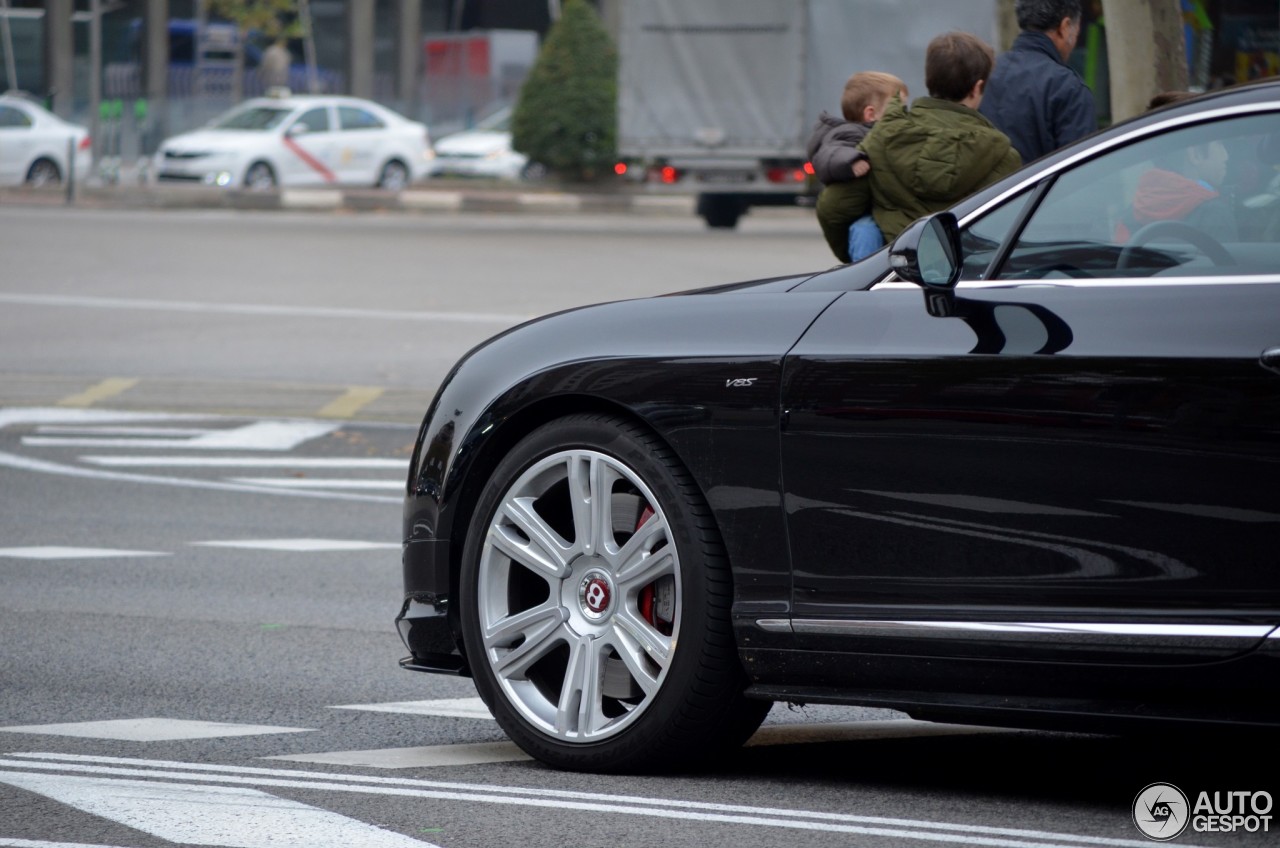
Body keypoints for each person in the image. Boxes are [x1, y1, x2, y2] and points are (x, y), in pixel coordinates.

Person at [816, 32, 1021, 263]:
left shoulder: (884, 136)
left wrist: (860, 257)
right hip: (968, 281)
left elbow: (833, 209)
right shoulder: (1002, 156)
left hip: (894, 276)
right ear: (977, 87)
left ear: (929, 79)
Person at [806, 72, 908, 262]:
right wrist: (852, 160)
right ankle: (863, 277)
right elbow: (829, 154)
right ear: (871, 114)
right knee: (865, 230)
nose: (903, 115)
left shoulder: (888, 135)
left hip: (883, 207)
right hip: (864, 212)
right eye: (898, 108)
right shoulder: (849, 133)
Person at [979, 0, 1095, 163]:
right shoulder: (1069, 88)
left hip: (989, 189)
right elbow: (1081, 170)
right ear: (1065, 26)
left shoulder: (982, 74)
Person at [1117, 139, 1237, 243]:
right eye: (1219, 145)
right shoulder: (1215, 213)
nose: (1226, 156)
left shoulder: (1132, 213)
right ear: (1195, 155)